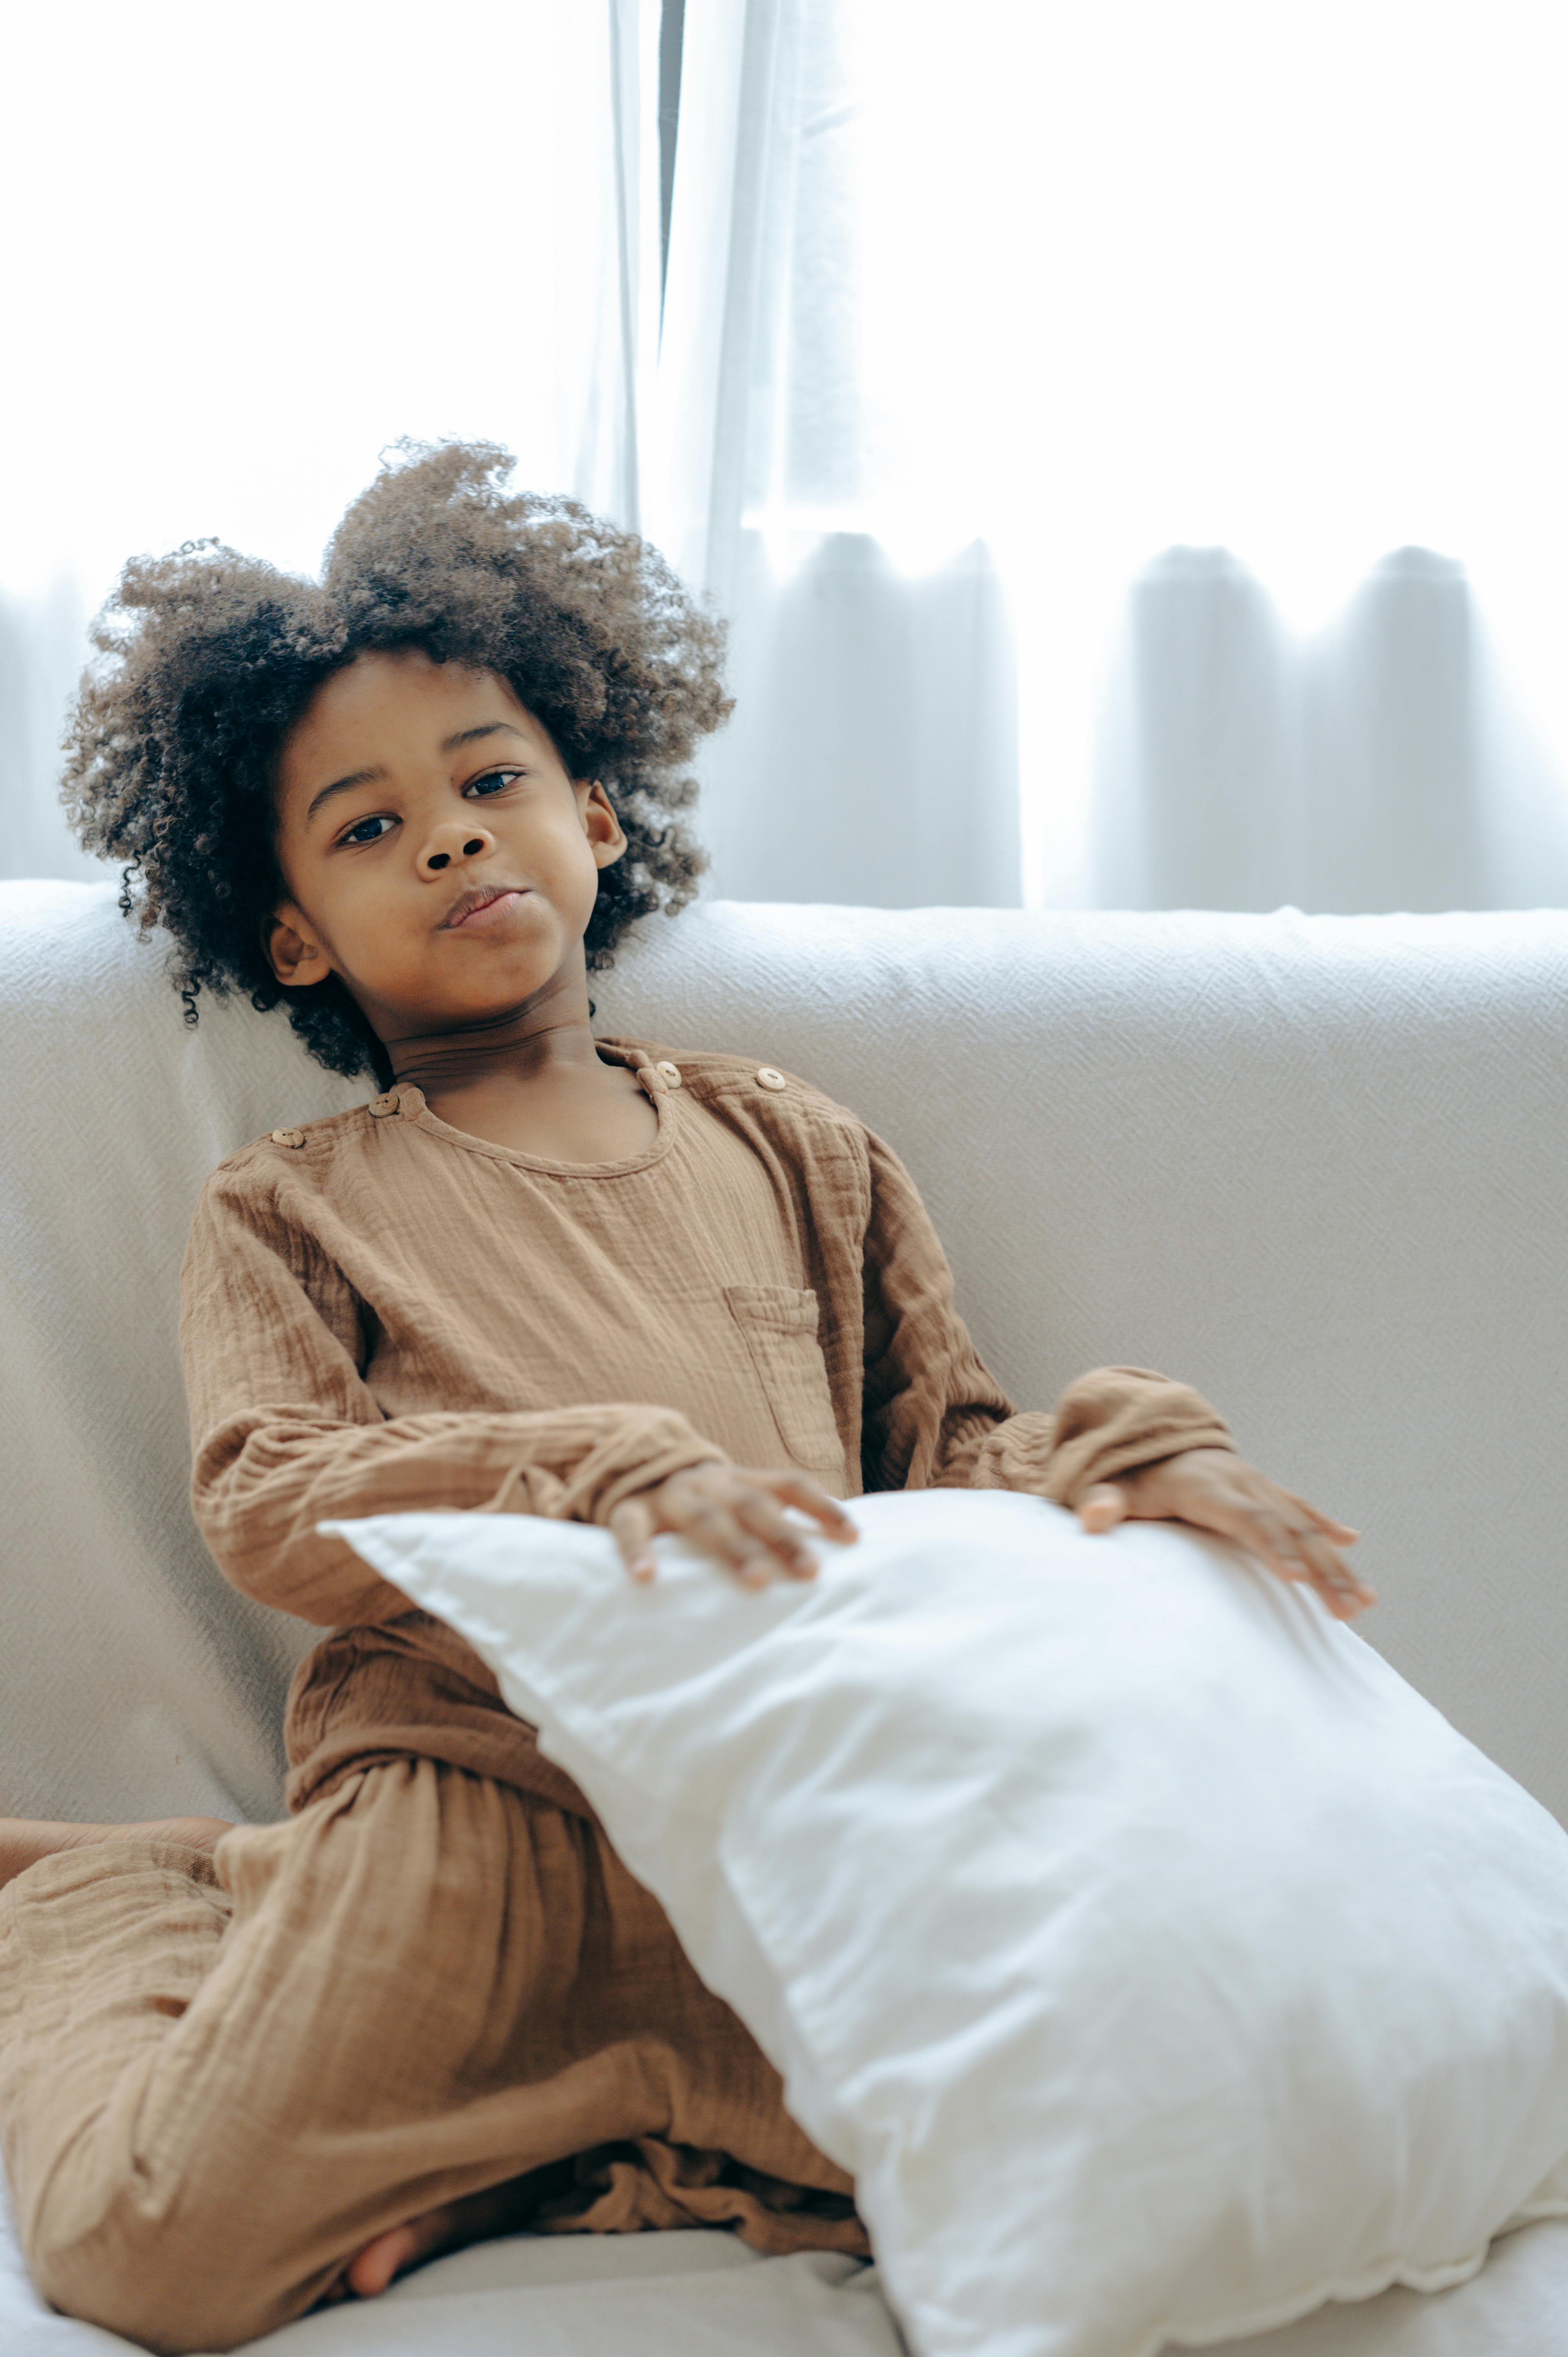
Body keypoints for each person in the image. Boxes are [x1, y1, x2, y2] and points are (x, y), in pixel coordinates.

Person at [0, 441, 1373, 2354]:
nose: (457, 840)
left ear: (600, 818)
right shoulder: (293, 1202)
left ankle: (514, 2134)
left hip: (779, 1805)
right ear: (296, 935)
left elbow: (944, 1452)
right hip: (467, 1806)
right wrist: (583, 1468)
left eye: (491, 784)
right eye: (373, 828)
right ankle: (109, 1908)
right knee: (144, 2254)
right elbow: (268, 1493)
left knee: (1060, 2151)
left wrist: (1124, 1458)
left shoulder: (791, 1141)